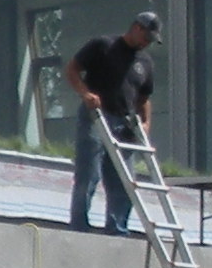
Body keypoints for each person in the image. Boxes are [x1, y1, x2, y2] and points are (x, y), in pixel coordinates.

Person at [65, 12, 160, 233]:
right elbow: (72, 69)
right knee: (89, 173)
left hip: (125, 124)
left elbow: (144, 98)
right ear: (136, 28)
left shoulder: (145, 62)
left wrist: (145, 124)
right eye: (146, 37)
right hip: (97, 118)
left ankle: (117, 229)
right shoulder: (103, 46)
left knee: (124, 181)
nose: (147, 43)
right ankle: (79, 225)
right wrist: (85, 93)